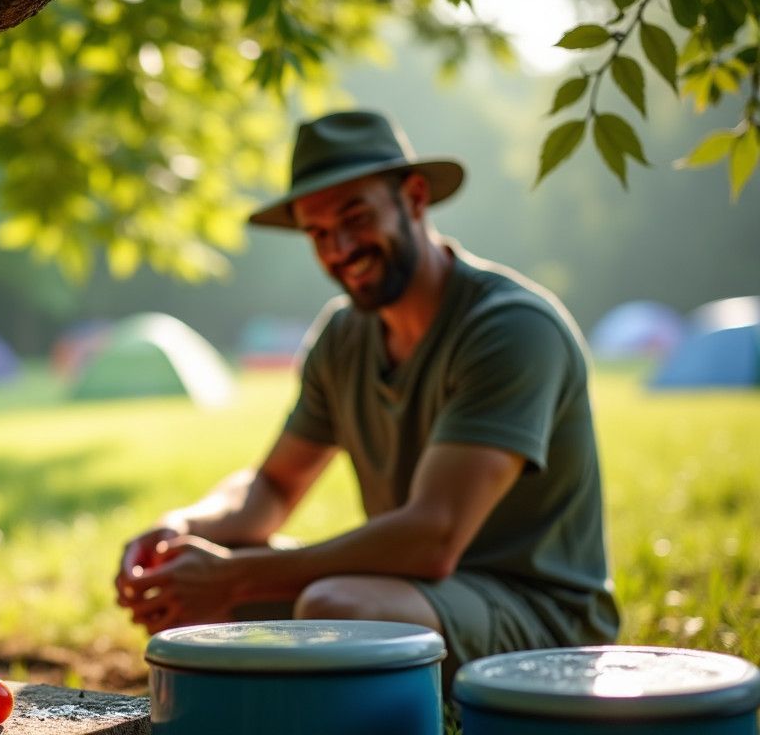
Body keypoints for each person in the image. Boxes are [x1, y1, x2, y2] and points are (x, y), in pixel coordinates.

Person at [114, 110, 619, 677]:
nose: (342, 248)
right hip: (413, 591)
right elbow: (274, 485)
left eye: (356, 217)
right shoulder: (344, 336)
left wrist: (233, 576)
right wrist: (183, 530)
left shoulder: (510, 328)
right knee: (202, 593)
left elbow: (434, 537)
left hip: (542, 619)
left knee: (336, 607)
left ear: (415, 197)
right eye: (319, 234)